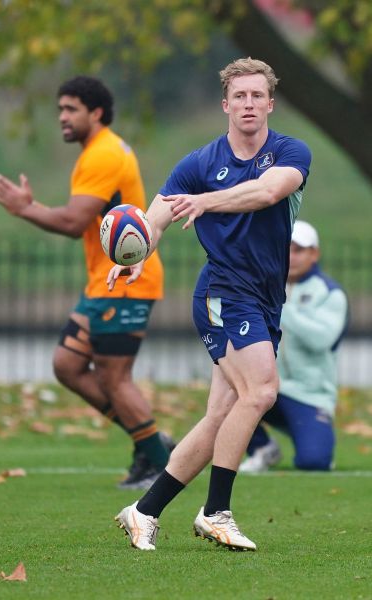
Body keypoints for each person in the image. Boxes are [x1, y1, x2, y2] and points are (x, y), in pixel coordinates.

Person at [110, 58, 312, 551]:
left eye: (256, 96)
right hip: (224, 293)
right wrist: (138, 253)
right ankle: (215, 511)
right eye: (239, 96)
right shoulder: (199, 163)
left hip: (264, 298)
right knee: (262, 392)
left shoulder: (290, 152)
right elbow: (154, 218)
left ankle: (144, 510)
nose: (248, 104)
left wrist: (207, 201)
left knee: (223, 414)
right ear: (226, 105)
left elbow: (268, 192)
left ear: (270, 103)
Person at [0, 75, 172, 489]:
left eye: (70, 109)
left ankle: (159, 461)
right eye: (60, 110)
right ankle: (149, 442)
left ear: (96, 112)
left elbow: (73, 222)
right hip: (103, 283)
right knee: (67, 365)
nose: (62, 118)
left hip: (127, 281)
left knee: (114, 378)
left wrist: (25, 208)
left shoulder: (103, 154)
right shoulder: (97, 150)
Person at [239, 220, 348, 473]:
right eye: (286, 248)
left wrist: (282, 305)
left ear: (314, 254)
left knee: (314, 462)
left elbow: (322, 340)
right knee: (229, 387)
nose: (291, 256)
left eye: (299, 250)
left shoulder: (330, 293)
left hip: (311, 396)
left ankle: (308, 429)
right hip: (268, 387)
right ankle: (261, 447)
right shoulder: (262, 285)